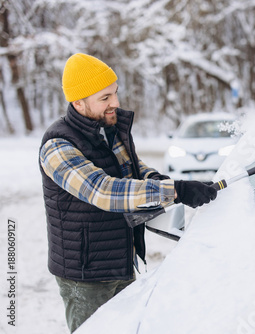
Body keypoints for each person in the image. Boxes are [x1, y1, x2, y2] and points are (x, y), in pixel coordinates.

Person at [39, 53, 217, 332]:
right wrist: (175, 191)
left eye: (115, 93)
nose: (116, 103)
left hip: (120, 259)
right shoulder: (57, 145)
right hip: (85, 275)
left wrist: (168, 182)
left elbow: (133, 171)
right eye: (105, 98)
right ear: (78, 102)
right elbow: (103, 190)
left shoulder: (109, 130)